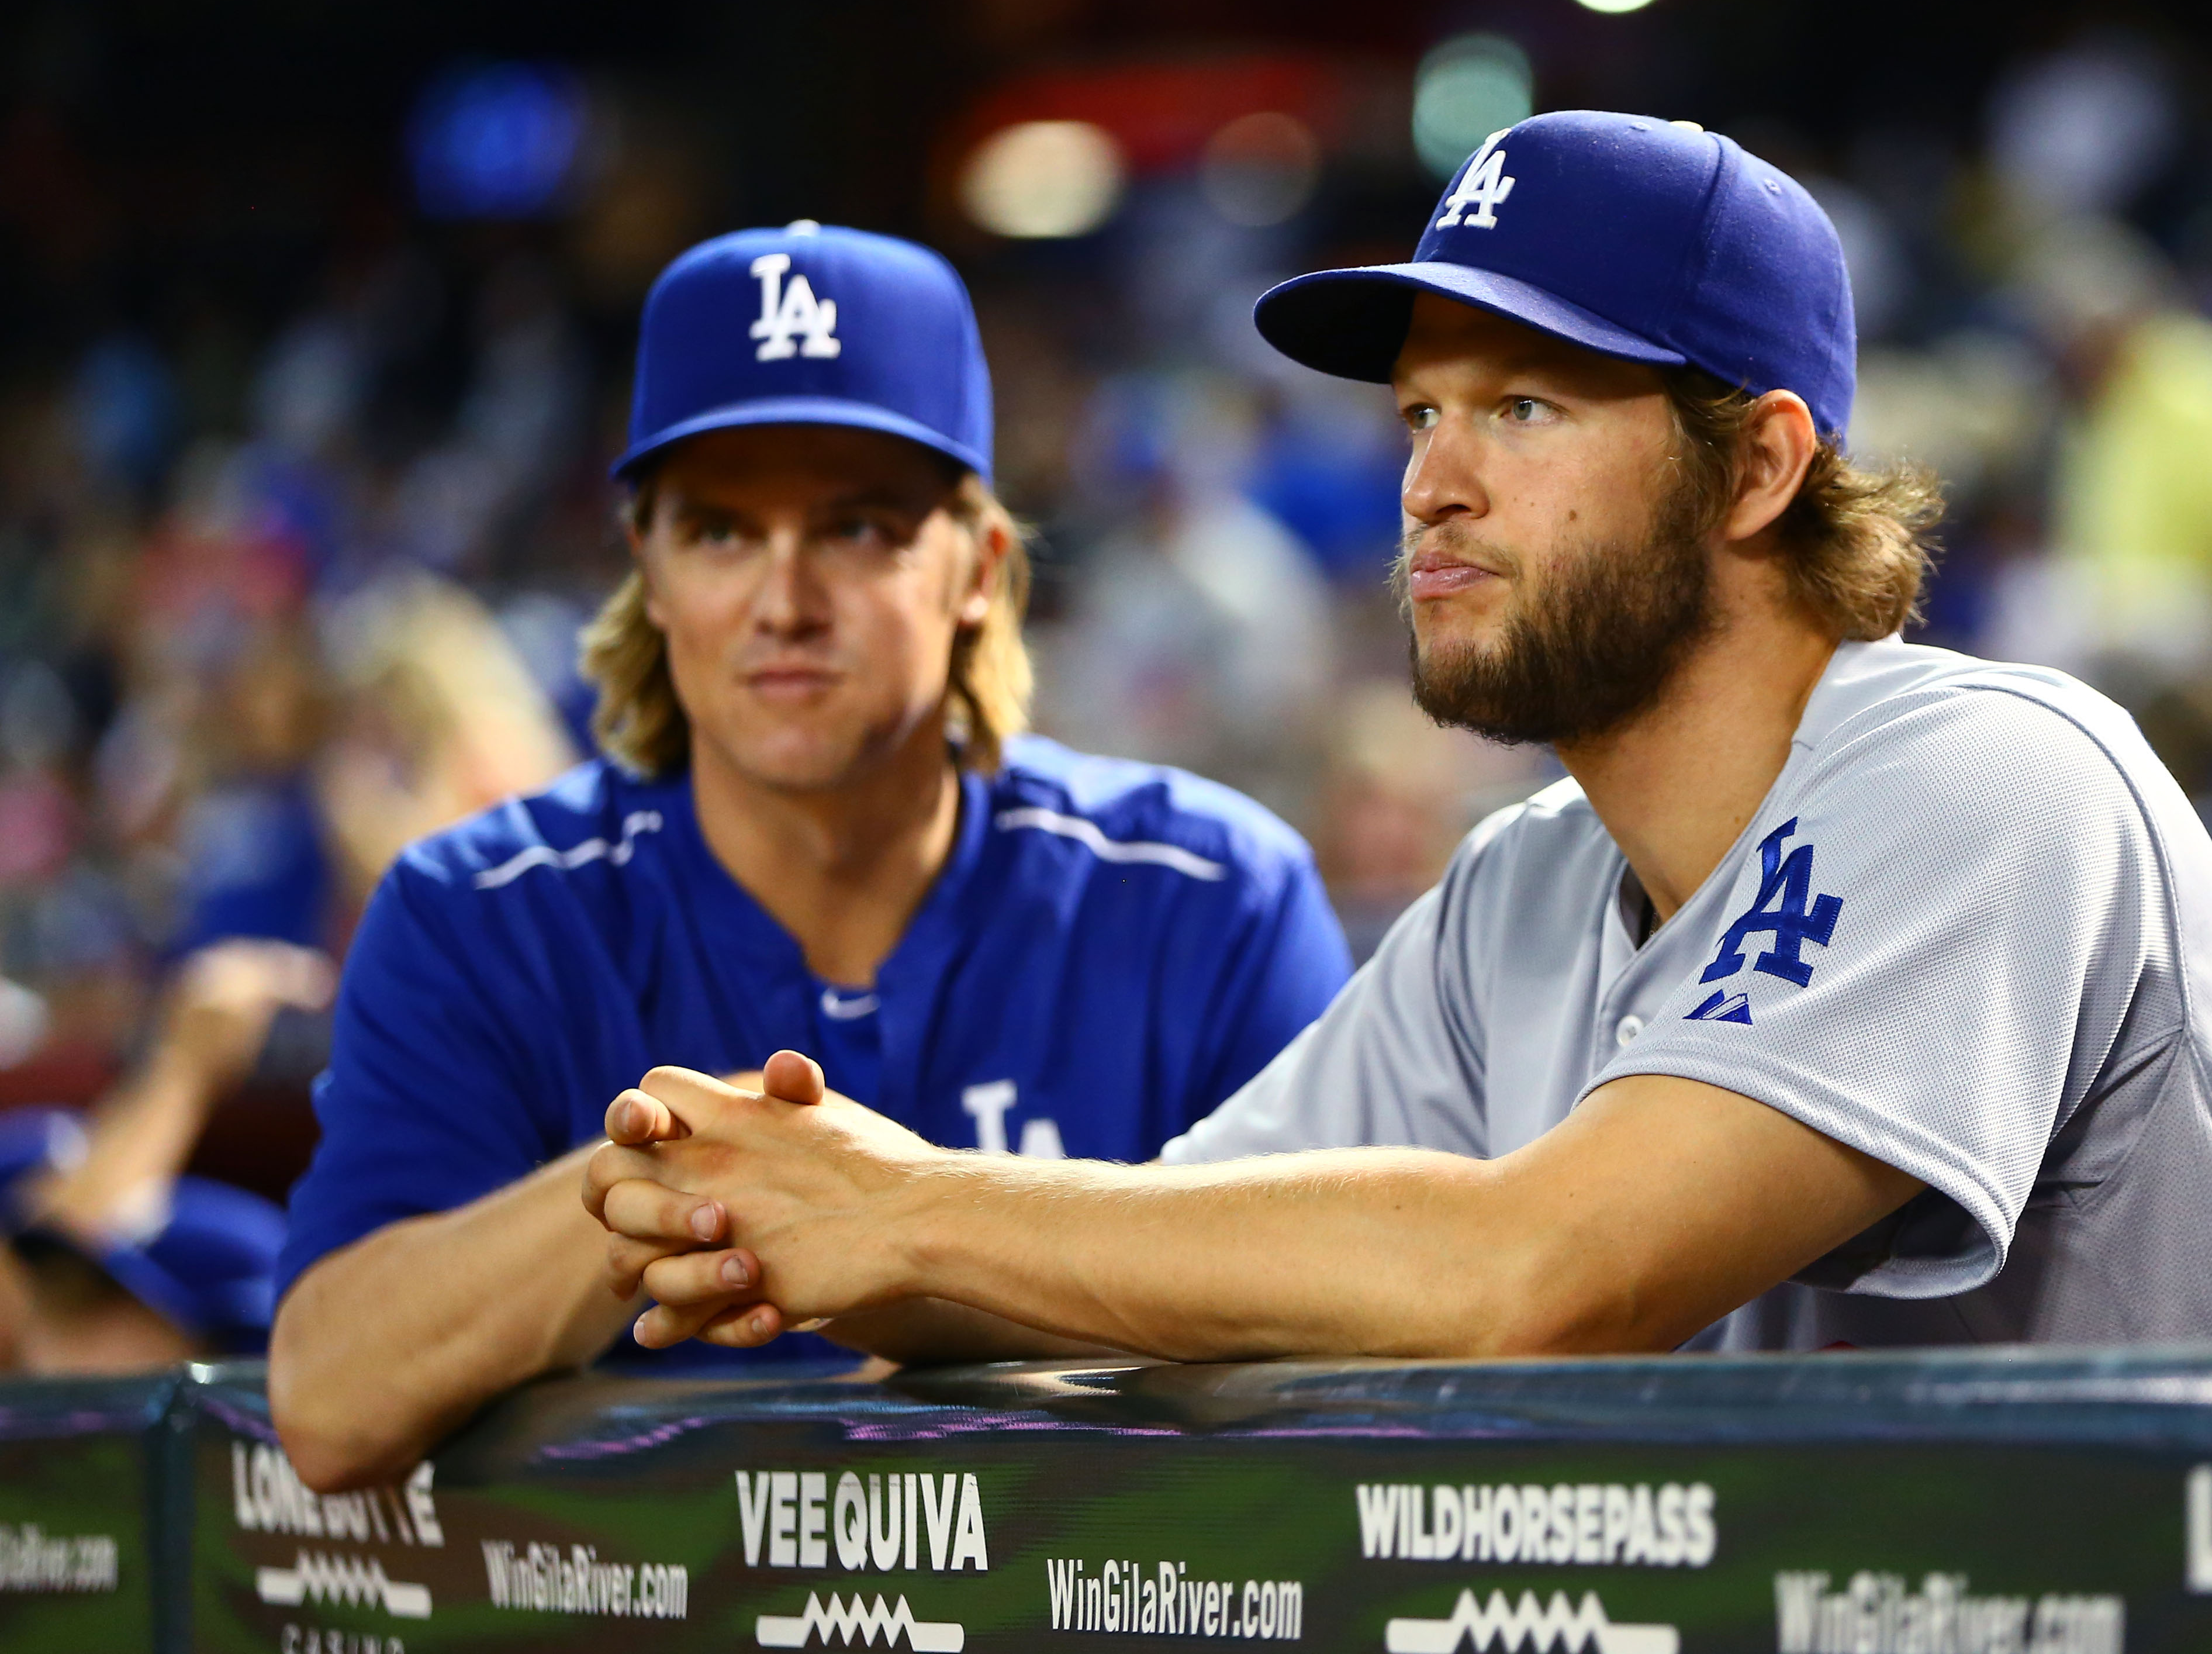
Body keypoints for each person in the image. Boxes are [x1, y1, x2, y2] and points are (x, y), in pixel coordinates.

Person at [585, 115, 2212, 1364]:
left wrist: (919, 1215)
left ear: (1757, 465)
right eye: (1422, 409)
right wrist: (770, 1205)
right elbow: (1121, 1259)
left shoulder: (1985, 775)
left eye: (1524, 403)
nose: (1431, 483)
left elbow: (1550, 1273)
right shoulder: (1517, 894)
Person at [270, 223, 1353, 1491]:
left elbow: (1348, 1324)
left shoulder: (1205, 893)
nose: (783, 599)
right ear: (650, 569)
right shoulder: (479, 910)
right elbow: (330, 1404)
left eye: (855, 528)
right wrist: (665, 1176)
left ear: (976, 565)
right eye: (722, 532)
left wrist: (901, 1232)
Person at [0, 938, 332, 1371]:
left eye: (96, 1310)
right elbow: (61, 1232)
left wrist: (187, 1063)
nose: (59, 1339)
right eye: (82, 1306)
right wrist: (186, 1062)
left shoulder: (254, 1258)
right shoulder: (44, 1153)